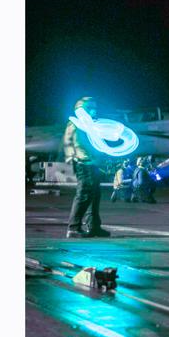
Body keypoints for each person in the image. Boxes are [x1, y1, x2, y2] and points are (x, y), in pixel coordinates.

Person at [64, 97, 111, 238]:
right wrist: (75, 157)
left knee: (95, 194)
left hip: (93, 163)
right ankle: (73, 228)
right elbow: (69, 141)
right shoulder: (76, 123)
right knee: (84, 194)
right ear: (81, 109)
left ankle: (94, 226)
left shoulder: (93, 124)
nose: (94, 110)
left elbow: (97, 143)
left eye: (95, 107)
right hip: (83, 163)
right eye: (90, 107)